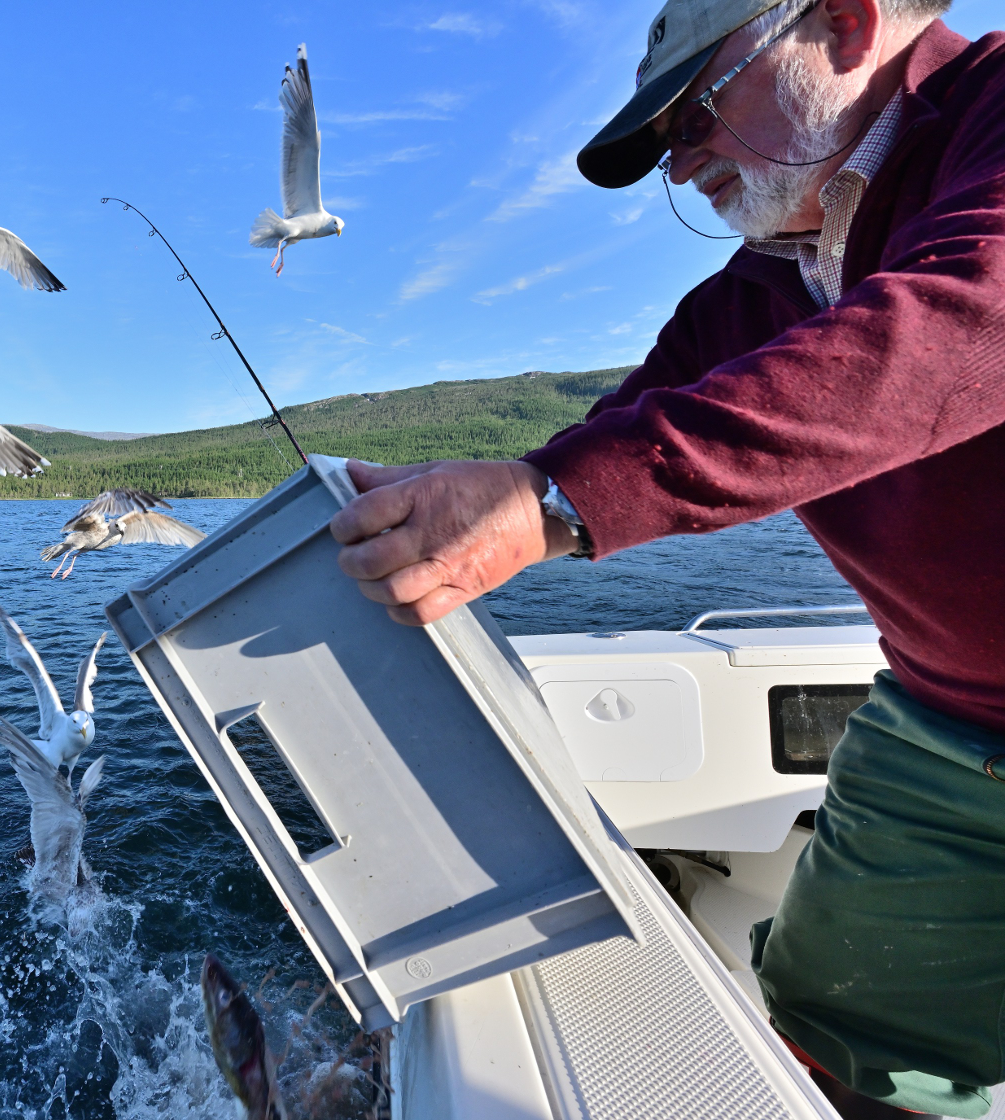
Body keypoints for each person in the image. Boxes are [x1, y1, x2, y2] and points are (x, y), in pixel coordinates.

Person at [329, 0, 1005, 1116]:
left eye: (696, 112)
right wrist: (465, 500)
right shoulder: (752, 294)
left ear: (843, 25)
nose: (680, 165)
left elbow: (951, 328)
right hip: (943, 718)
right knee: (837, 1028)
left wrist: (551, 501)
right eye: (664, 142)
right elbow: (602, 440)